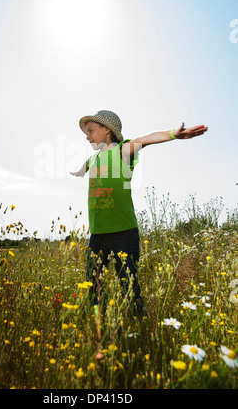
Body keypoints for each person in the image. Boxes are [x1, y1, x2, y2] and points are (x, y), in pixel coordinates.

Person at [70, 110, 208, 314]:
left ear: (107, 129)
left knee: (128, 284)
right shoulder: (94, 158)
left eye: (91, 131)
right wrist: (81, 170)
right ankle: (99, 322)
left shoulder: (123, 151)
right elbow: (88, 163)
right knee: (93, 282)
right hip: (97, 234)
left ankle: (136, 322)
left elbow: (145, 139)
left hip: (123, 233)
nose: (87, 136)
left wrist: (173, 134)